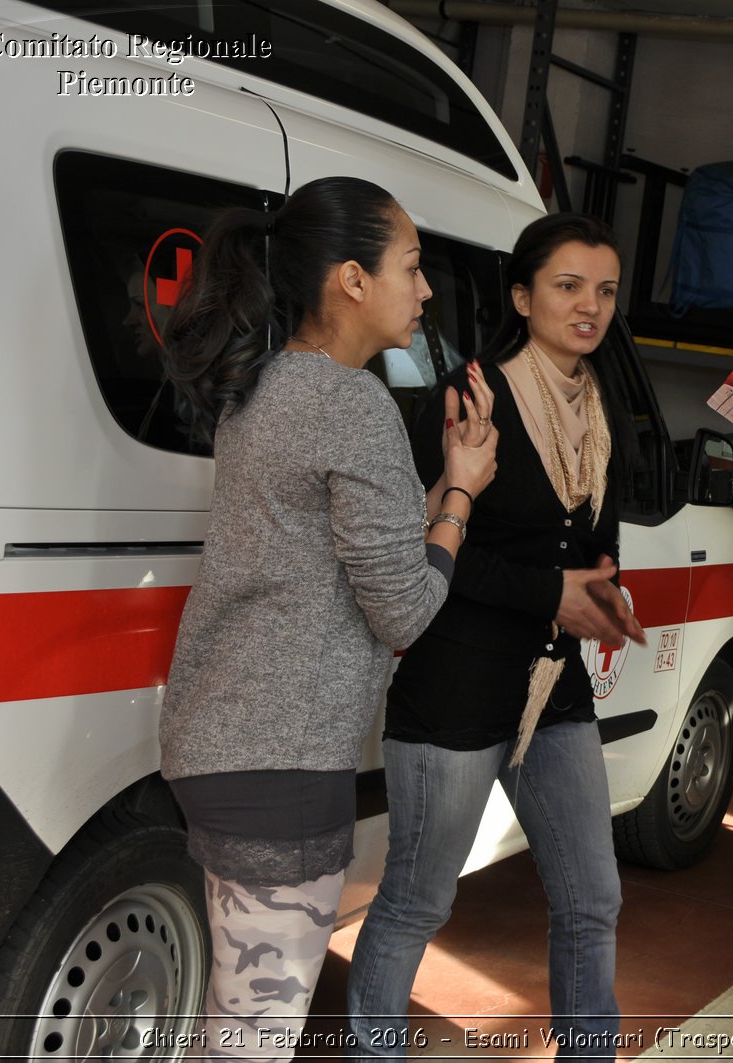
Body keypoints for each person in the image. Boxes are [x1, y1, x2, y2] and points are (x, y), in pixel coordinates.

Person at [157, 176, 498, 1061]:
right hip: (282, 759)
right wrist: (460, 491)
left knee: (232, 1026)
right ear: (352, 278)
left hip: (224, 738)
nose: (425, 291)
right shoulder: (353, 404)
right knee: (257, 1040)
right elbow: (406, 608)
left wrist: (444, 486)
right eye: (413, 268)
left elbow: (357, 541)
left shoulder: (264, 385)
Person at [346, 212, 646, 1061]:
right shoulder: (474, 394)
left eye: (606, 291)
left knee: (593, 897)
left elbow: (592, 537)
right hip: (457, 687)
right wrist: (555, 592)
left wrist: (604, 589)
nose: (590, 306)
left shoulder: (601, 403)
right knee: (414, 901)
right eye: (568, 286)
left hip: (556, 687)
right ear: (521, 295)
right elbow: (430, 543)